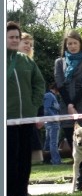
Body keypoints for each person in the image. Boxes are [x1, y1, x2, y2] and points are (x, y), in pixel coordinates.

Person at [6, 21, 45, 196]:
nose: (15, 40)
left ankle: (22, 192)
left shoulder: (26, 60)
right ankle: (8, 193)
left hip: (26, 118)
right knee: (9, 157)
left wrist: (33, 105)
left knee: (24, 156)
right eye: (11, 37)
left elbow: (39, 83)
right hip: (7, 119)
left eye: (17, 37)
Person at [54, 29, 82, 150]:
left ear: (80, 44)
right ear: (66, 46)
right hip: (65, 104)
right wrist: (69, 105)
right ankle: (80, 168)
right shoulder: (59, 63)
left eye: (75, 43)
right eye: (69, 44)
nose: (72, 46)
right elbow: (59, 84)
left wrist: (73, 105)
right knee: (73, 144)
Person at [18, 32, 44, 163]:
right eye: (25, 43)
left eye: (30, 44)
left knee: (26, 159)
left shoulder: (31, 65)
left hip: (29, 115)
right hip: (13, 113)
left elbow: (38, 90)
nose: (28, 46)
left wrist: (40, 115)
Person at [43, 83, 62, 165]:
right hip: (53, 122)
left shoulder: (51, 96)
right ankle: (56, 161)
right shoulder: (50, 96)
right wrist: (55, 117)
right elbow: (46, 108)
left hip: (50, 122)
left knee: (48, 142)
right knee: (53, 142)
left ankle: (46, 159)